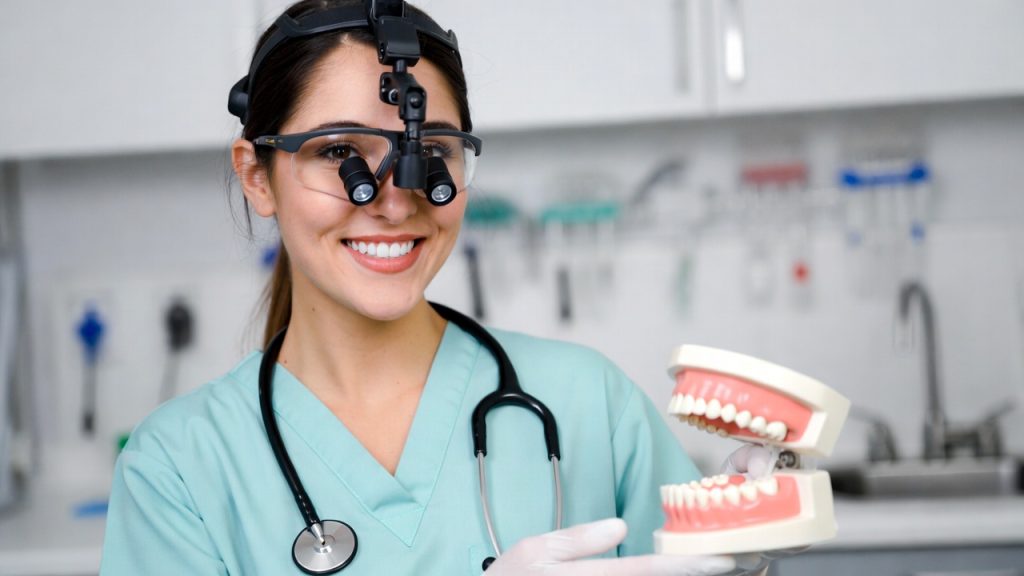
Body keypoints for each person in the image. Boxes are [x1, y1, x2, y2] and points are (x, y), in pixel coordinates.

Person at [100, 1, 759, 574]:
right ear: (257, 176)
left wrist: (746, 542)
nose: (394, 203)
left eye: (432, 151)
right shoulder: (178, 469)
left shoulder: (590, 403)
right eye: (339, 153)